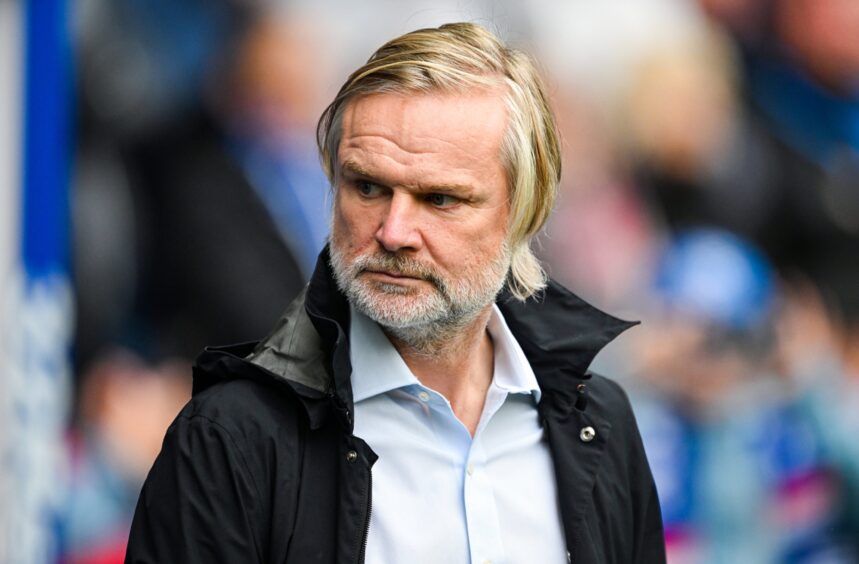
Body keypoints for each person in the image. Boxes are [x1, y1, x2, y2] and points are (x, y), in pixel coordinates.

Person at [125, 22, 665, 564]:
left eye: (440, 198)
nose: (393, 231)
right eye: (367, 187)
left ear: (523, 211)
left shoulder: (601, 424)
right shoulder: (228, 440)